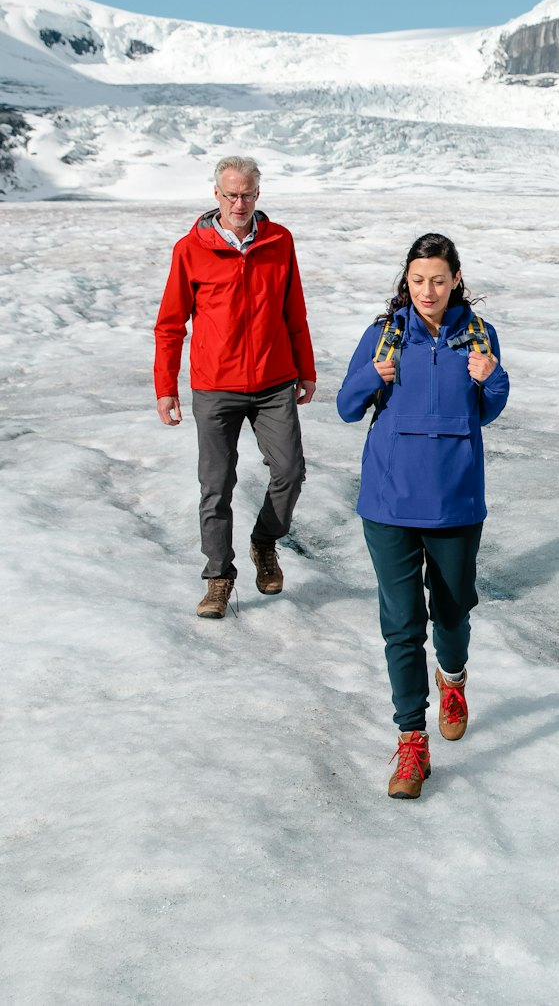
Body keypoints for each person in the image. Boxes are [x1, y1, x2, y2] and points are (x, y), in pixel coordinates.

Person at [336, 232, 509, 799]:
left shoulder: (479, 336)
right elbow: (346, 407)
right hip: (389, 502)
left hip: (455, 499)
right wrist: (373, 376)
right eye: (417, 280)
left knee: (452, 612)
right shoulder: (383, 336)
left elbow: (486, 411)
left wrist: (492, 378)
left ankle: (453, 679)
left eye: (438, 280)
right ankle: (412, 740)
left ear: (456, 279)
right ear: (405, 282)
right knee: (402, 624)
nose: (427, 291)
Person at [154, 156, 316, 619]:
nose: (239, 203)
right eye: (230, 195)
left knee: (290, 471)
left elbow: (294, 311)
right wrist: (166, 387)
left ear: (257, 195)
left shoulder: (279, 241)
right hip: (215, 386)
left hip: (274, 381)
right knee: (216, 485)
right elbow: (170, 324)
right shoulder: (190, 249)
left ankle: (264, 542)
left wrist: (306, 370)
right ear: (216, 195)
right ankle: (218, 578)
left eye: (246, 194)